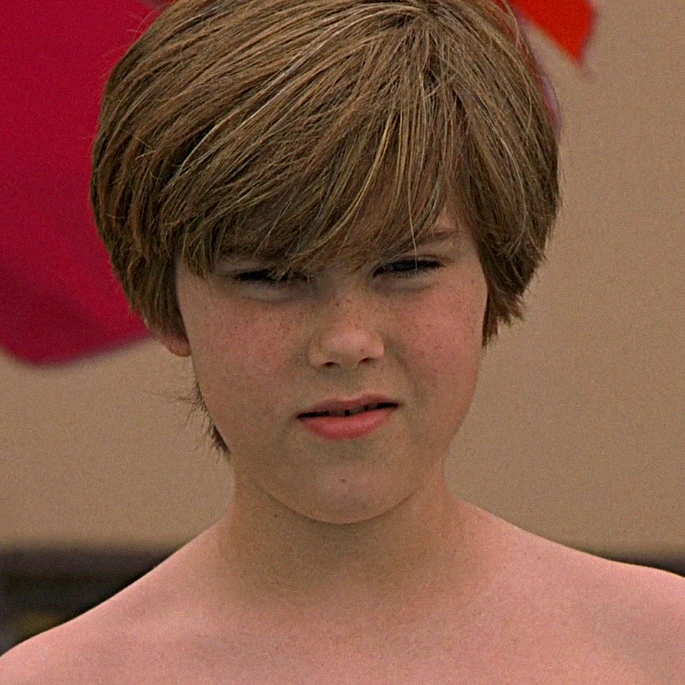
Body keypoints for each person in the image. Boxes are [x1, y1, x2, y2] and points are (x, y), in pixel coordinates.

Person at [2, 0, 684, 682]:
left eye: (406, 266)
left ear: (494, 271)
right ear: (167, 303)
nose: (347, 340)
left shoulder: (659, 648)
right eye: (270, 277)